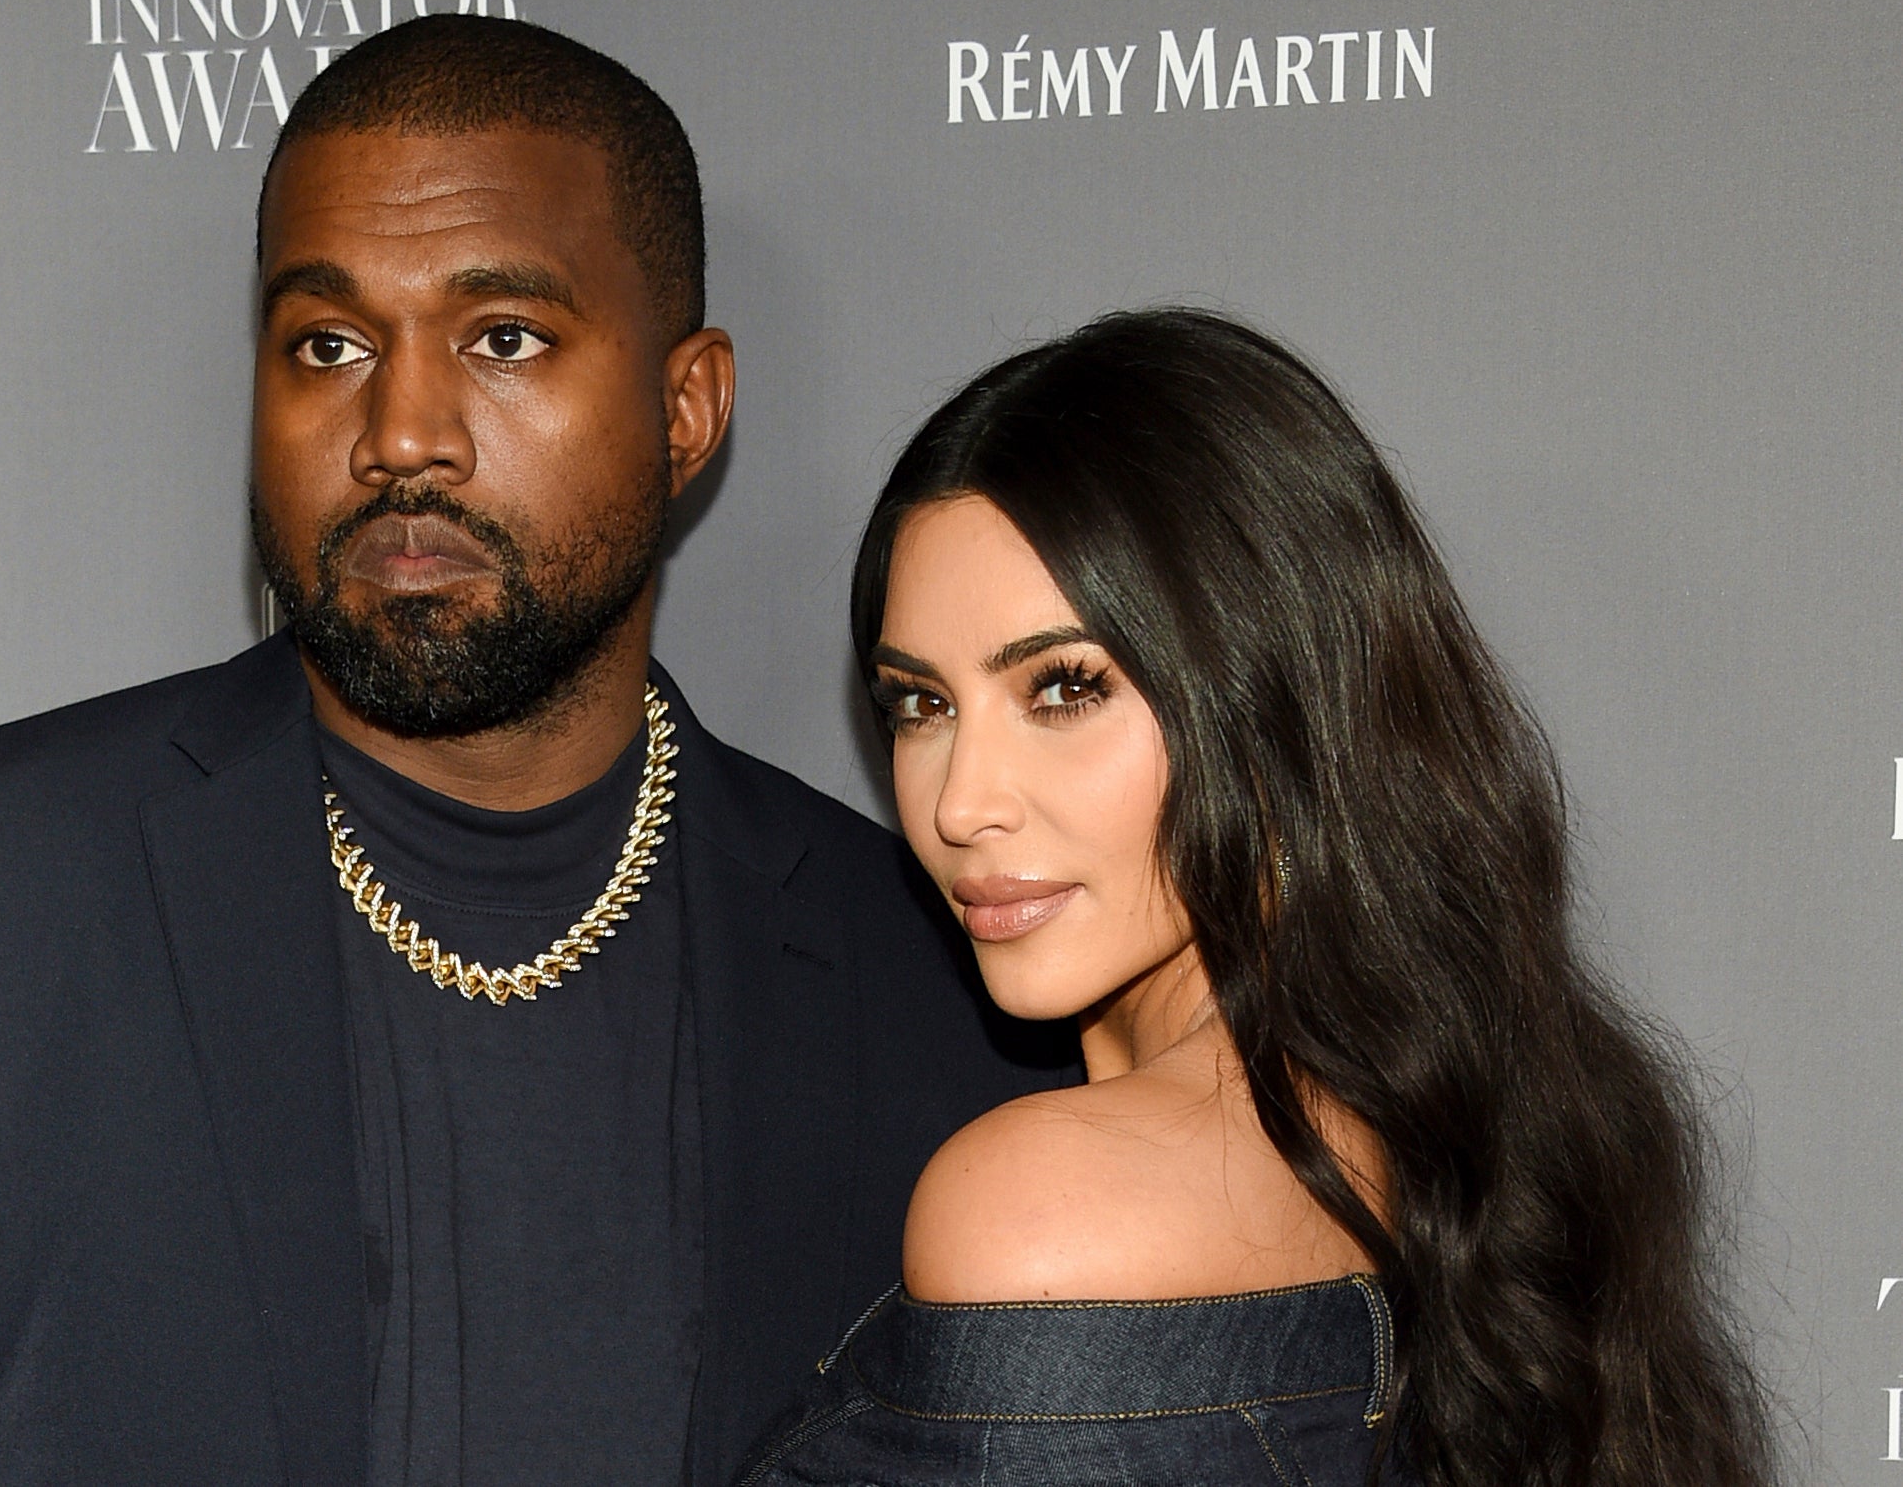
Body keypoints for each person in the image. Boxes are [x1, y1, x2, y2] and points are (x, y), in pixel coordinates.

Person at [0, 16, 1066, 1487]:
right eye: (329, 344)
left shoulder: (923, 979)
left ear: (683, 411)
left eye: (503, 339)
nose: (400, 433)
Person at [741, 309, 1778, 1487]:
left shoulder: (1036, 1209)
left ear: (1272, 696)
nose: (961, 801)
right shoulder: (1448, 1136)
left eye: (1065, 688)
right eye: (919, 704)